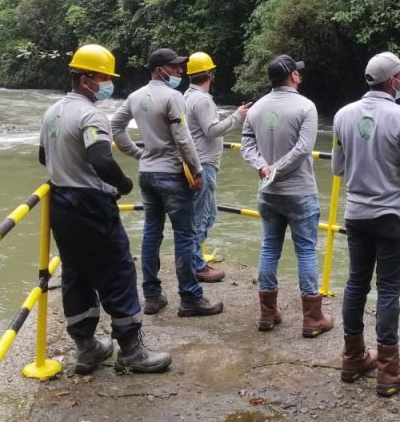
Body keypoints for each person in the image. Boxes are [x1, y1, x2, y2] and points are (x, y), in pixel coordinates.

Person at [39, 43, 171, 374]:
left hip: (60, 204)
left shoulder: (51, 112)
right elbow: (101, 159)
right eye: (103, 78)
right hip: (91, 205)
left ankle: (87, 349)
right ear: (86, 80)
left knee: (76, 274)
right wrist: (124, 185)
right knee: (118, 271)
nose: (107, 84)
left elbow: (44, 157)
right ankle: (130, 350)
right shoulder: (90, 114)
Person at [332, 51, 400, 397]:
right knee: (388, 290)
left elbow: (337, 168)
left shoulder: (343, 115)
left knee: (356, 284)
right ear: (392, 81)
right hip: (392, 217)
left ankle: (353, 357)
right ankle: (390, 371)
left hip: (356, 214)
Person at [111, 48, 223, 319]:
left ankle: (151, 296)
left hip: (147, 174)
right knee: (184, 235)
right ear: (160, 68)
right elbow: (183, 138)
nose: (180, 72)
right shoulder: (173, 97)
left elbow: (116, 126)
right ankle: (190, 297)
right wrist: (196, 171)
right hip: (173, 174)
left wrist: (140, 154)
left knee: (151, 233)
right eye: (175, 67)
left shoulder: (136, 96)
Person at [240, 54, 333, 338]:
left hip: (268, 193)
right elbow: (304, 148)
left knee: (269, 247)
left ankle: (268, 312)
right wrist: (276, 170)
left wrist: (264, 168)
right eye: (298, 72)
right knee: (305, 250)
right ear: (292, 76)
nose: (300, 76)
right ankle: (312, 317)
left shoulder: (255, 109)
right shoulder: (306, 106)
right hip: (299, 190)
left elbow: (247, 144)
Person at [183, 51, 252, 283]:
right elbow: (212, 130)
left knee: (203, 215)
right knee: (204, 216)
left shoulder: (187, 96)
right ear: (210, 75)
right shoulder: (202, 99)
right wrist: (238, 116)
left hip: (196, 162)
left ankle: (192, 261)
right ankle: (196, 265)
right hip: (204, 164)